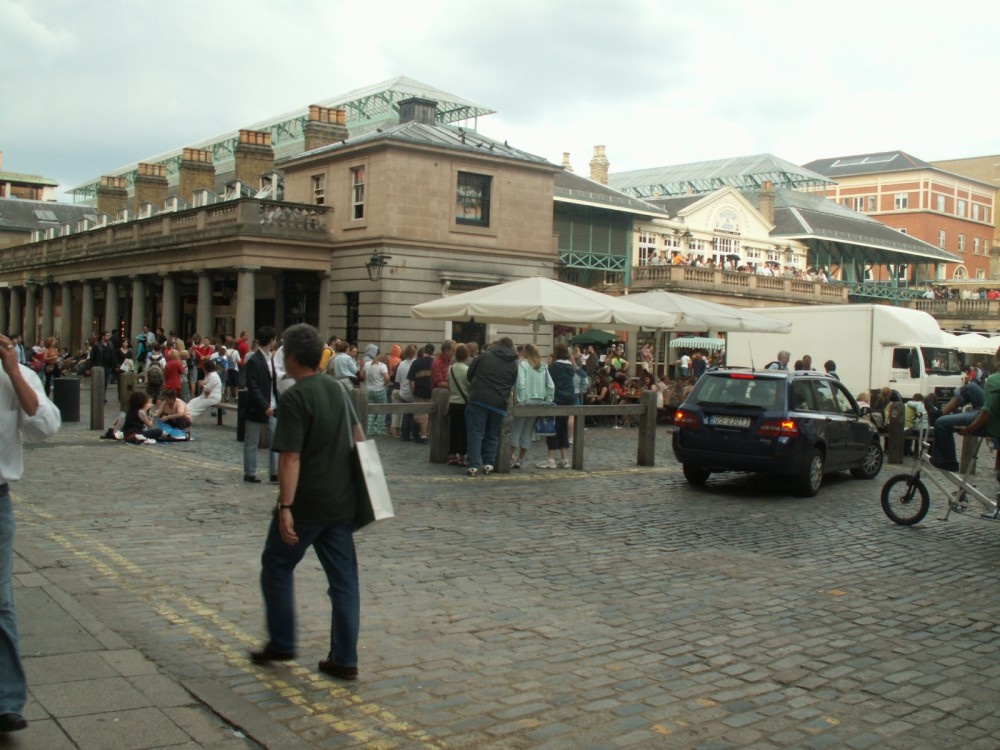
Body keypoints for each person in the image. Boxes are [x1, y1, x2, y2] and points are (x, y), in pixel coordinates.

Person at [250, 323, 363, 681]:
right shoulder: (339, 390)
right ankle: (344, 658)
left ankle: (282, 640)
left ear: (292, 356)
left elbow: (290, 458)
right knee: (344, 582)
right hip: (342, 501)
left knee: (277, 566)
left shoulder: (297, 396)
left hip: (307, 502)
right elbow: (359, 437)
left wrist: (286, 507)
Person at [0, 333, 60, 734]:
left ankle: (6, 700)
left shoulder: (15, 374)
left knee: (0, 602)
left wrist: (12, 370)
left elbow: (45, 427)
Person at [930, 346, 999, 472]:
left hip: (992, 422)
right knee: (971, 387)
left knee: (941, 424)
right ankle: (938, 413)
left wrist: (969, 429)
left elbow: (987, 412)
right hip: (996, 413)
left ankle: (947, 461)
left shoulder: (995, 380)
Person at [464, 338, 518, 477]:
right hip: (499, 402)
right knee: (492, 434)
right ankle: (489, 464)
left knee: (475, 432)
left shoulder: (484, 356)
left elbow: (469, 374)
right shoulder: (513, 363)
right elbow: (512, 381)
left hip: (479, 399)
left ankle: (473, 465)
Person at [244, 326, 279, 484]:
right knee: (252, 442)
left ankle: (275, 472)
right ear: (271, 340)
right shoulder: (254, 360)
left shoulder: (270, 358)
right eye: (275, 339)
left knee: (275, 440)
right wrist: (265, 406)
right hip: (257, 407)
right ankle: (250, 472)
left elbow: (272, 383)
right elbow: (253, 386)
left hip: (272, 405)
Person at [511, 343, 553, 469]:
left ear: (524, 352)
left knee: (516, 430)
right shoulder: (543, 366)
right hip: (539, 401)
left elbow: (521, 384)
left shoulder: (523, 365)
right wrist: (548, 400)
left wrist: (519, 400)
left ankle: (509, 457)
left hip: (525, 400)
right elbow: (551, 385)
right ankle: (520, 459)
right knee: (528, 431)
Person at [537, 343, 576, 469]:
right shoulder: (570, 367)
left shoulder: (554, 367)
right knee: (563, 428)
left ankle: (551, 459)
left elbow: (547, 383)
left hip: (556, 399)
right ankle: (565, 459)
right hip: (568, 401)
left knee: (552, 428)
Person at [447, 344, 471, 466]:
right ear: (466, 356)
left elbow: (449, 384)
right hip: (464, 403)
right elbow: (469, 387)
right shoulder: (467, 370)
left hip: (453, 402)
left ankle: (452, 455)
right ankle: (462, 456)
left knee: (453, 430)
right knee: (463, 431)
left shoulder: (450, 369)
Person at [408, 345, 435, 444]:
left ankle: (423, 435)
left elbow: (411, 379)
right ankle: (427, 432)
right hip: (432, 391)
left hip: (419, 391)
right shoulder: (434, 362)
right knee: (430, 414)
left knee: (422, 414)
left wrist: (413, 391)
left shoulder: (416, 363)